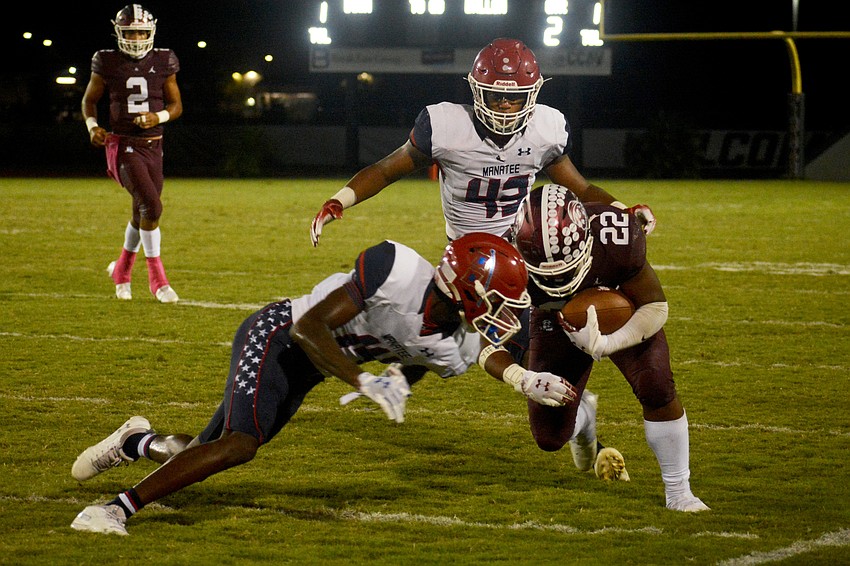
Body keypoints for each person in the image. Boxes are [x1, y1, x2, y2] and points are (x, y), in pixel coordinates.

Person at [70, 233, 578, 535]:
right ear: (468, 288)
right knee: (239, 445)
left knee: (203, 450)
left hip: (310, 368)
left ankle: (136, 441)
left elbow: (440, 355)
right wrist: (362, 380)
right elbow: (308, 328)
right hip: (278, 334)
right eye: (497, 302)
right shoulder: (395, 269)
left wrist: (514, 377)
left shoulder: (459, 344)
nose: (503, 316)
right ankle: (113, 510)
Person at [309, 37, 656, 248]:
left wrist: (624, 209)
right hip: (466, 250)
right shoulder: (445, 125)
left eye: (514, 98)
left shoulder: (546, 129)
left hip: (527, 243)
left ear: (531, 97)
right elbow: (386, 170)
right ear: (477, 92)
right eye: (494, 96)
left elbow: (580, 188)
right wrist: (338, 200)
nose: (505, 105)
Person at [503, 183, 710, 512]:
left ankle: (679, 491)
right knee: (549, 436)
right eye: (548, 273)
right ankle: (584, 419)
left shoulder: (616, 234)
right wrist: (523, 377)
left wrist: (610, 342)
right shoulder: (506, 263)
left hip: (620, 308)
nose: (560, 280)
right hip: (554, 319)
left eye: (567, 268)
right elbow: (486, 339)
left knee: (656, 385)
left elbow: (655, 306)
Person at [82, 4, 182, 303]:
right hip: (123, 144)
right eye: (130, 32)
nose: (136, 38)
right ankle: (158, 281)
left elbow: (176, 106)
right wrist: (92, 127)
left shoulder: (164, 59)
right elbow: (89, 101)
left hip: (154, 144)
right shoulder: (106, 61)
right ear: (118, 33)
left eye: (141, 32)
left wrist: (158, 117)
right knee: (152, 207)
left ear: (150, 32)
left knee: (141, 213)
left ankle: (122, 271)